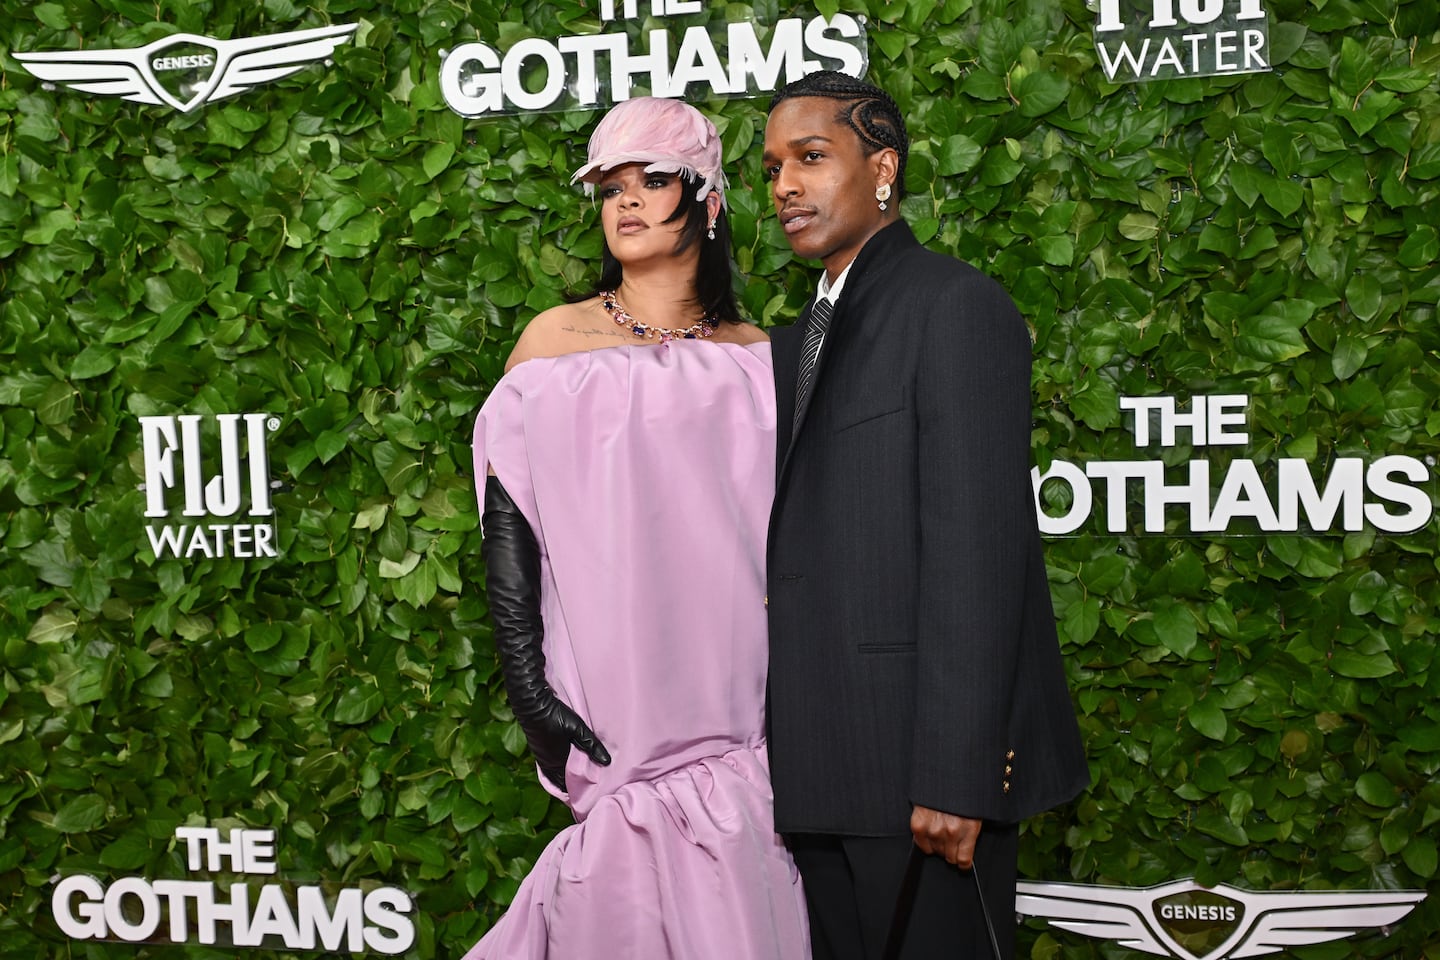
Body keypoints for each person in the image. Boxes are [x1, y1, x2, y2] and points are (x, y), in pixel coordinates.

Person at [463, 96, 807, 960]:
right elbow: (509, 516)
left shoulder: (760, 358)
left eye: (652, 181)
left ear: (708, 201)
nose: (626, 201)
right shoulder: (554, 340)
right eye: (611, 187)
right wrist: (527, 681)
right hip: (618, 691)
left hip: (737, 690)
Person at [760, 71, 1089, 960]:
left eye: (811, 157)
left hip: (920, 780)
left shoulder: (954, 306)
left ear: (883, 170)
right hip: (820, 776)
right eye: (773, 167)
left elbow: (978, 556)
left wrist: (957, 775)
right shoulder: (794, 340)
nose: (785, 185)